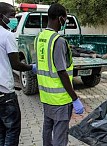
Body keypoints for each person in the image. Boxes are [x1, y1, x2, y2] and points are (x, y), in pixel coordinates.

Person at [35, 3, 84, 146]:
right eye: (65, 19)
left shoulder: (40, 37)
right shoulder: (59, 41)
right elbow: (62, 72)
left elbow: (42, 62)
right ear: (60, 18)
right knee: (60, 134)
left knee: (47, 127)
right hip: (60, 98)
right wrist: (75, 98)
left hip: (45, 95)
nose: (65, 22)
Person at [0, 2, 36, 146]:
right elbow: (16, 64)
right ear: (1, 16)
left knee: (1, 131)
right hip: (5, 94)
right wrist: (31, 67)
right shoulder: (7, 36)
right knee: (12, 130)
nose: (14, 19)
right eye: (12, 16)